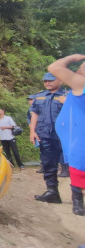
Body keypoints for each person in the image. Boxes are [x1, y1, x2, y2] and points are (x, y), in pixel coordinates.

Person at [49, 54, 85, 216]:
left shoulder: (80, 82)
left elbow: (54, 68)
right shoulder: (77, 87)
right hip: (76, 133)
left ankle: (78, 202)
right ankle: (77, 202)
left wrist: (73, 57)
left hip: (79, 135)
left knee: (79, 164)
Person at [30, 72, 67, 203]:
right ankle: (52, 192)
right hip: (45, 135)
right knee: (48, 164)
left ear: (60, 81)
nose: (47, 83)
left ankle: (78, 197)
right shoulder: (39, 97)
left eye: (50, 80)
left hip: (65, 136)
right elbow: (35, 114)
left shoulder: (67, 96)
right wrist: (32, 131)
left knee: (76, 165)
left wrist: (68, 103)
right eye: (45, 81)